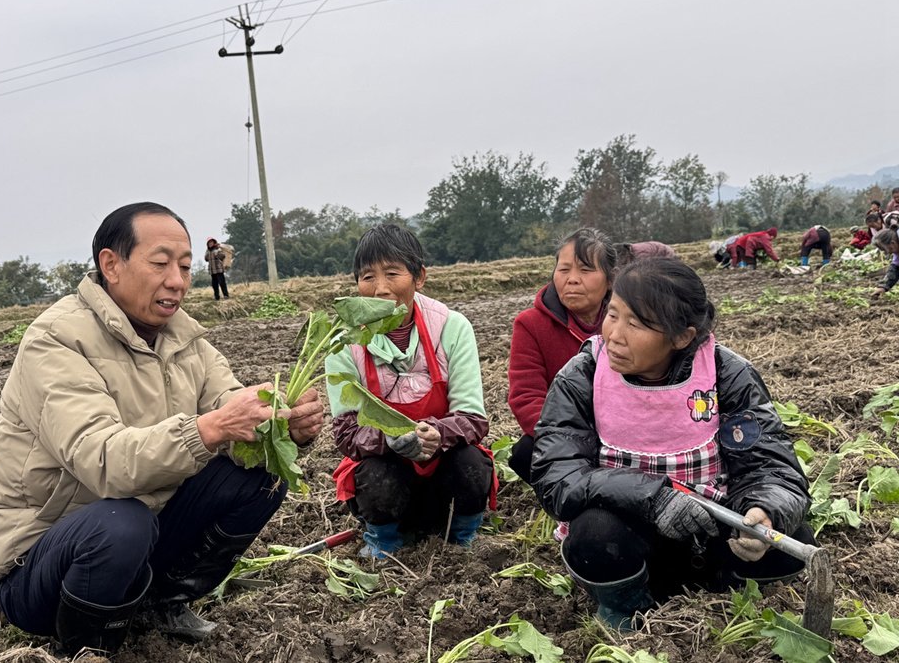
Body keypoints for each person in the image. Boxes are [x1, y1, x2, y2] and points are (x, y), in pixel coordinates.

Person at [0, 202, 324, 656]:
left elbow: (227, 400)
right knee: (120, 521)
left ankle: (160, 601)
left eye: (185, 267)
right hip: (46, 562)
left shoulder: (184, 339)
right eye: (161, 264)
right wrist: (211, 428)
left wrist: (281, 423)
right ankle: (85, 645)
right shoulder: (56, 341)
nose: (178, 281)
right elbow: (104, 462)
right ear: (112, 265)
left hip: (144, 533)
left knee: (261, 474)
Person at [530, 258, 812, 630]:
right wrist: (653, 497)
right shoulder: (582, 375)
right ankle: (626, 608)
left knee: (790, 535)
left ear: (681, 336)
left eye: (636, 323)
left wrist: (763, 511)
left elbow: (773, 468)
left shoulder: (726, 374)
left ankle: (732, 601)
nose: (614, 334)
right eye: (612, 315)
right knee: (593, 535)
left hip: (714, 538)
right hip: (632, 543)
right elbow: (556, 474)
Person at [326, 225, 496, 558]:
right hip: (388, 474)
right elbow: (347, 432)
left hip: (442, 467)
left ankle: (464, 534)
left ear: (419, 277)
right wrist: (389, 439)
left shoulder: (451, 326)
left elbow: (473, 419)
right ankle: (384, 539)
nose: (380, 289)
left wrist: (436, 433)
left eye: (392, 274)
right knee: (375, 475)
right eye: (368, 277)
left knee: (471, 464)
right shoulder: (343, 341)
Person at [507, 228, 617, 485]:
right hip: (565, 437)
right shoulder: (531, 324)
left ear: (610, 279)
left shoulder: (628, 321)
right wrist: (574, 441)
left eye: (586, 270)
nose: (572, 279)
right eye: (564, 269)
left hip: (623, 433)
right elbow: (526, 398)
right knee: (526, 453)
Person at [872, 229, 899, 300]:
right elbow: (895, 268)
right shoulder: (897, 252)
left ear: (892, 243)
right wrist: (883, 286)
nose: (888, 253)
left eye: (885, 249)